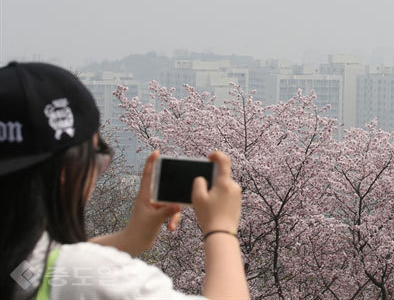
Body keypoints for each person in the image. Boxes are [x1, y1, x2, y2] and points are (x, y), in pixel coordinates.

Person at [0, 62, 250, 300]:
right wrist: (222, 229)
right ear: (67, 173)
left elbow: (40, 269)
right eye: (97, 157)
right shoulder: (95, 276)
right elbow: (71, 272)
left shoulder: (16, 261)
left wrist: (131, 238)